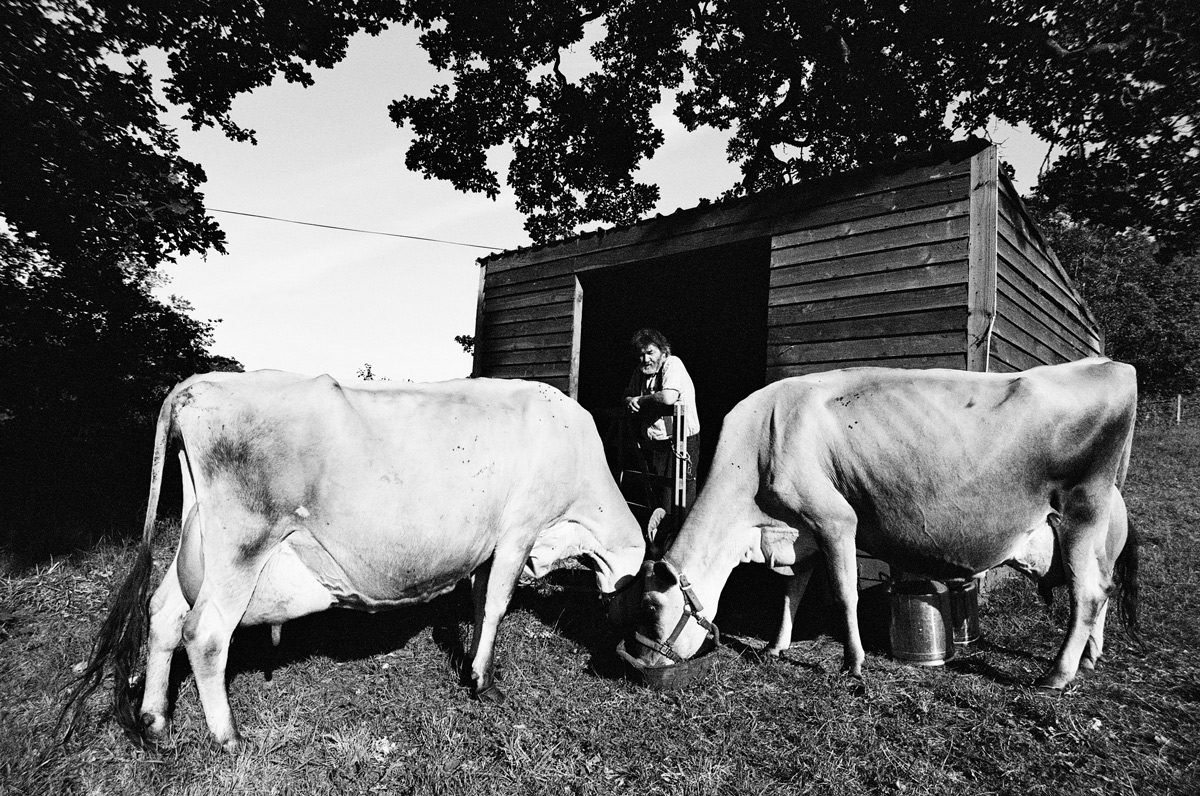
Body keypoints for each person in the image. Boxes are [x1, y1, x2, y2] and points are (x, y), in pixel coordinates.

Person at [622, 328, 700, 514]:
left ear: (663, 352)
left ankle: (678, 539)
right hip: (656, 443)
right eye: (641, 355)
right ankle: (660, 538)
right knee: (657, 496)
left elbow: (668, 397)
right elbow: (627, 394)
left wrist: (640, 401)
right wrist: (629, 401)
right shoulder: (640, 372)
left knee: (677, 498)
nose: (645, 359)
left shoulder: (673, 364)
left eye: (650, 352)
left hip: (681, 442)